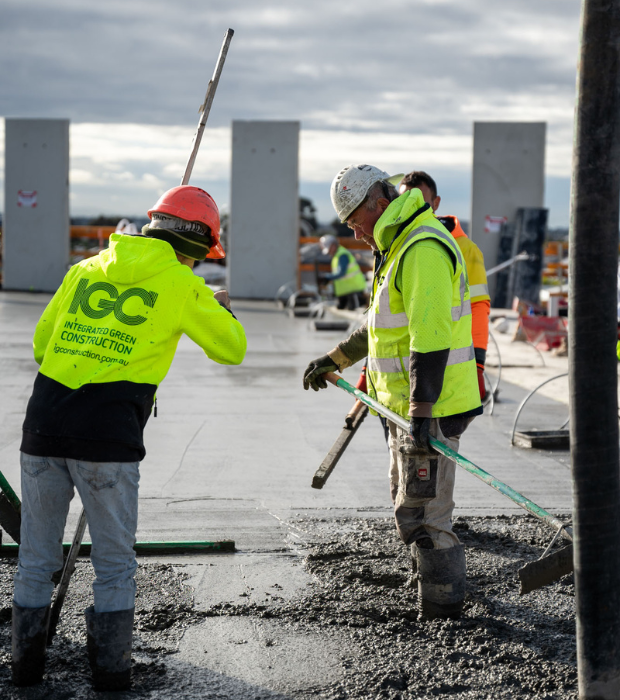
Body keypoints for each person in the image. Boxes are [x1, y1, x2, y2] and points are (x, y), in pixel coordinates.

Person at [12, 185, 247, 690]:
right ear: (198, 248)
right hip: (107, 437)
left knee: (35, 557)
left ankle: (25, 668)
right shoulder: (183, 286)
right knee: (114, 563)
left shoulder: (86, 269)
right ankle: (112, 676)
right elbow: (232, 350)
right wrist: (216, 305)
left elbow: (39, 345)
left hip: (45, 423)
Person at [303, 164, 482, 619]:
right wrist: (336, 359)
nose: (355, 233)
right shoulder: (398, 245)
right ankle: (431, 580)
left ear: (377, 205)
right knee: (408, 504)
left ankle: (443, 609)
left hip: (430, 409)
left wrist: (422, 412)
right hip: (403, 408)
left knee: (425, 515)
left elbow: (431, 335)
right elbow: (379, 327)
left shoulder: (421, 247)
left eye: (354, 222)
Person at [399, 171, 491, 401]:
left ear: (436, 203)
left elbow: (478, 307)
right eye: (404, 201)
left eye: (419, 201)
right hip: (398, 377)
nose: (410, 207)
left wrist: (478, 365)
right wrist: (368, 369)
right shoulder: (395, 246)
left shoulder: (464, 249)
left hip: (445, 375)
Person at [318, 234, 367, 309]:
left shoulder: (342, 255)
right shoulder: (337, 255)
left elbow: (341, 273)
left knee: (354, 313)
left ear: (334, 245)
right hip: (347, 291)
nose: (329, 252)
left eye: (330, 249)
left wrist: (327, 277)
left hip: (353, 291)